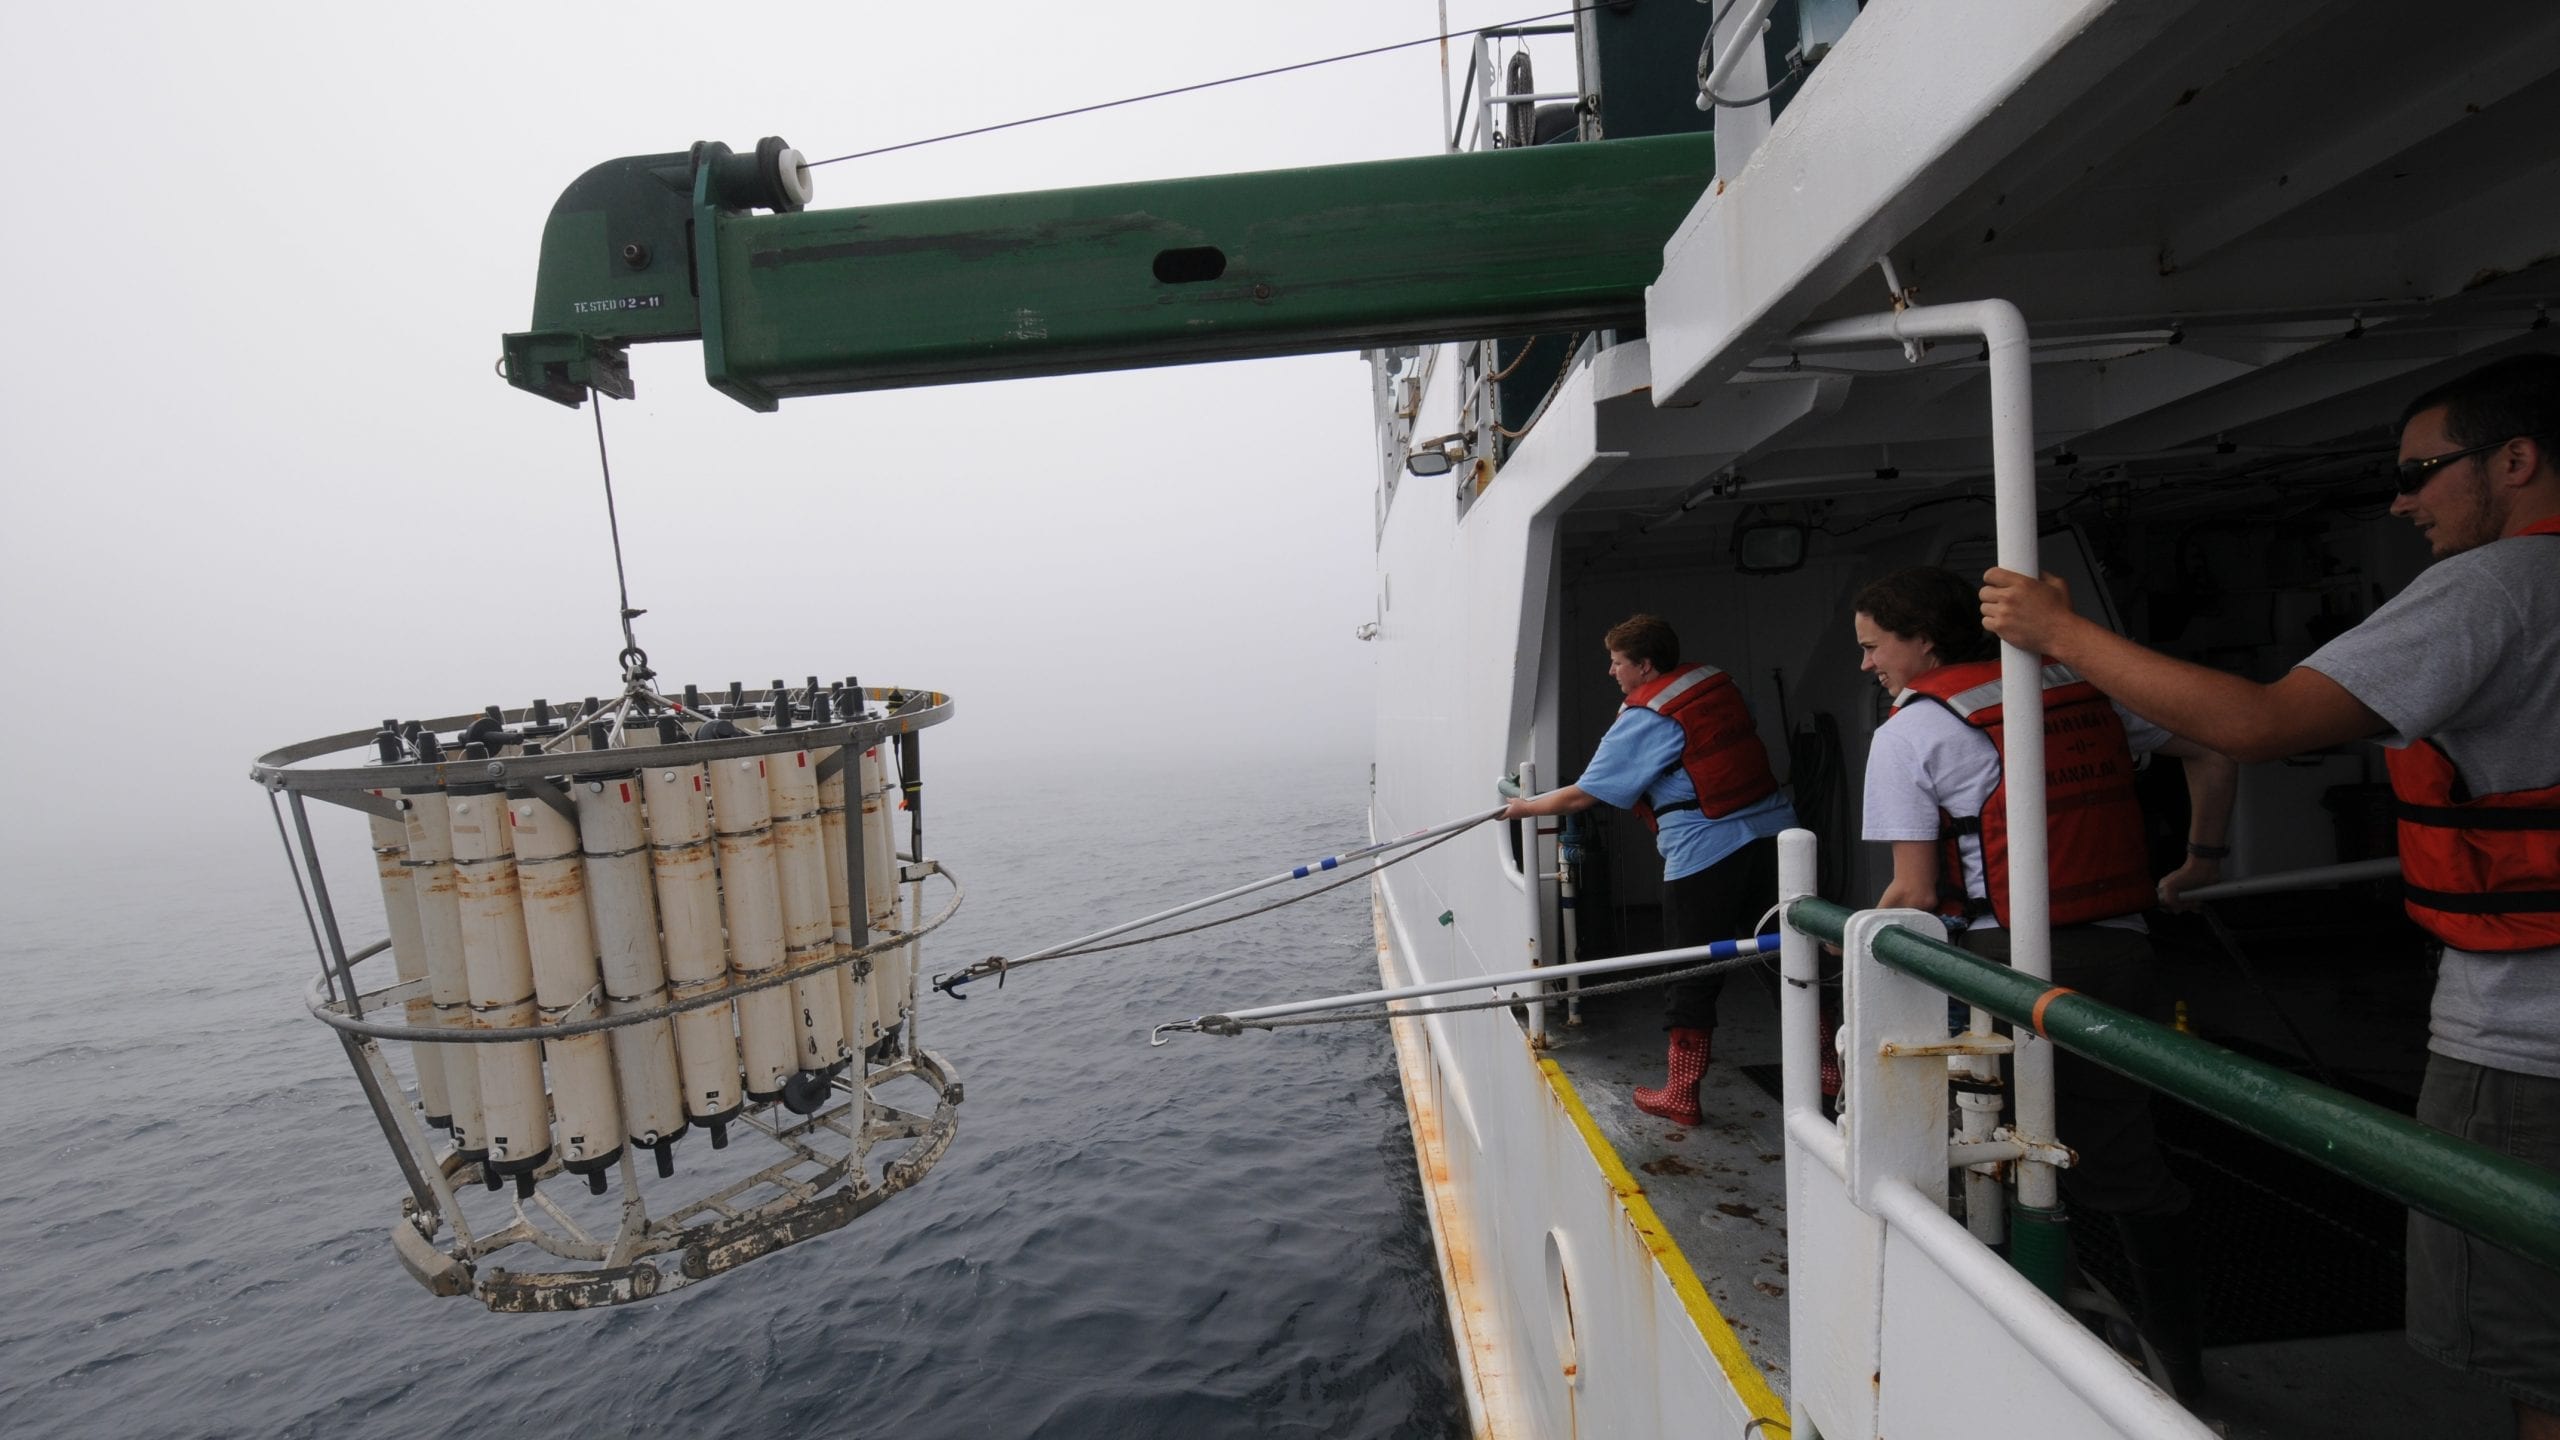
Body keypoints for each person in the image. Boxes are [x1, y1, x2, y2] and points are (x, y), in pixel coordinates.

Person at [1978, 352, 2560, 1437]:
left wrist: (2059, 633)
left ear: (2516, 461)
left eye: (2419, 472)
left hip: (2528, 1045)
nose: (2402, 501)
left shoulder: (2495, 587)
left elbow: (2254, 723)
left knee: (2543, 1359)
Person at [1853, 564, 2237, 1398]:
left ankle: (1999, 1341)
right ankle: (2181, 1367)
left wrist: (1853, 962)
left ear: (1924, 643)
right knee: (2126, 1163)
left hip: (1998, 972)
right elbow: (2214, 747)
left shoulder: (1910, 732)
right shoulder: (2079, 683)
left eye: (1875, 646)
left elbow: (1914, 895)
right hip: (2118, 955)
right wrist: (2202, 860)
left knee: (1958, 1147)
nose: (1867, 663)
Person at [1503, 614, 1797, 1125]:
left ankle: (1681, 1094)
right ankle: (1826, 1070)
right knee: (1786, 954)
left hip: (1703, 852)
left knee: (1690, 971)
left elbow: (1584, 795)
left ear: (1644, 665)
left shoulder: (1646, 718)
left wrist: (1523, 808)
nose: (1611, 672)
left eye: (1617, 663)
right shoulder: (1715, 684)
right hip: (1775, 837)